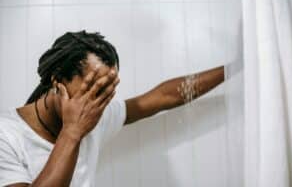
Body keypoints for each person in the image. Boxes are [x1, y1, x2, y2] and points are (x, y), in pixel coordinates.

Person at [0, 31, 226, 187]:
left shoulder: (97, 114)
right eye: (93, 89)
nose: (99, 103)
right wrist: (72, 132)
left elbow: (163, 97)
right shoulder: (6, 135)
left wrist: (233, 69)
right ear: (57, 79)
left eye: (107, 92)